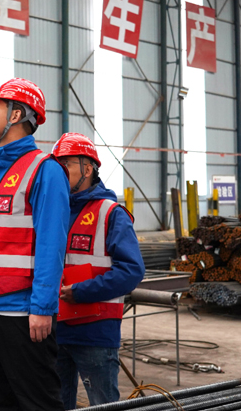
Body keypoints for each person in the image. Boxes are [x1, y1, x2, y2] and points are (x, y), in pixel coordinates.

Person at [0, 78, 69, 411]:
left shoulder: (44, 170)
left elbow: (51, 245)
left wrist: (42, 308)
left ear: (15, 115)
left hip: (24, 317)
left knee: (38, 404)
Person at [52, 133, 145, 409]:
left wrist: (82, 291)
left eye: (67, 164)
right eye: (57, 165)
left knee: (102, 404)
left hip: (95, 333)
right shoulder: (52, 211)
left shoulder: (111, 213)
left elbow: (131, 270)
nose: (60, 171)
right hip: (54, 330)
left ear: (88, 169)